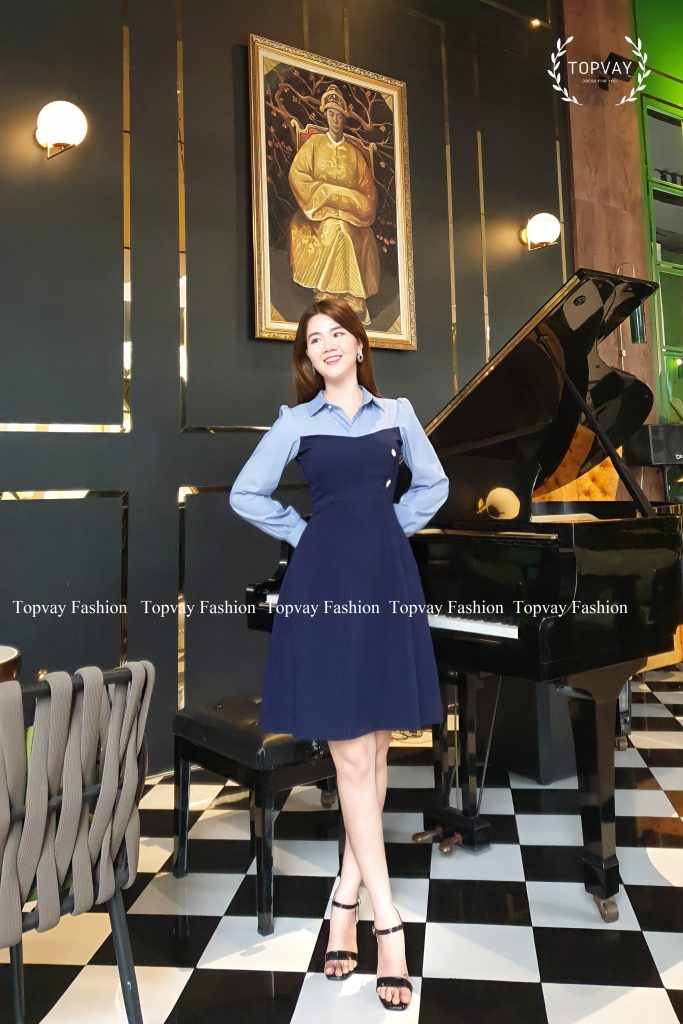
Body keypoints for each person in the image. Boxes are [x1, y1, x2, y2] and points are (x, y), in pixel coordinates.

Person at [229, 298, 448, 1011]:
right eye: (312, 338)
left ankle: (344, 901)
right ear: (307, 356)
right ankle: (388, 926)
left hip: (385, 578)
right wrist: (304, 533)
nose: (324, 344)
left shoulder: (399, 415)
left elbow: (435, 484)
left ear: (359, 345)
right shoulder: (296, 422)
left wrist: (390, 526)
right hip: (324, 583)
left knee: (376, 751)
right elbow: (246, 493)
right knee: (353, 756)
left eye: (336, 334)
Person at [288, 86, 380, 325]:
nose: (336, 121)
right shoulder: (314, 144)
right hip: (317, 216)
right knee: (336, 229)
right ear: (325, 115)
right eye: (331, 115)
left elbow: (368, 194)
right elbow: (298, 176)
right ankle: (329, 296)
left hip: (353, 218)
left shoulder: (354, 153)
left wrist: (347, 201)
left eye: (339, 116)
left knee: (346, 229)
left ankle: (353, 298)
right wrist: (328, 194)